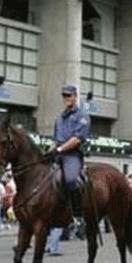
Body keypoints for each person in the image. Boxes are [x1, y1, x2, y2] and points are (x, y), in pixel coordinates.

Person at [49, 84, 91, 227]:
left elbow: (77, 139)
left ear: (75, 97)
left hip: (72, 155)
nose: (66, 98)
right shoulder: (59, 118)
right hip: (58, 153)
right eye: (64, 95)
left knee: (71, 180)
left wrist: (60, 149)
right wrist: (50, 150)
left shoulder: (82, 116)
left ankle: (78, 216)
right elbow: (56, 139)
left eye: (69, 95)